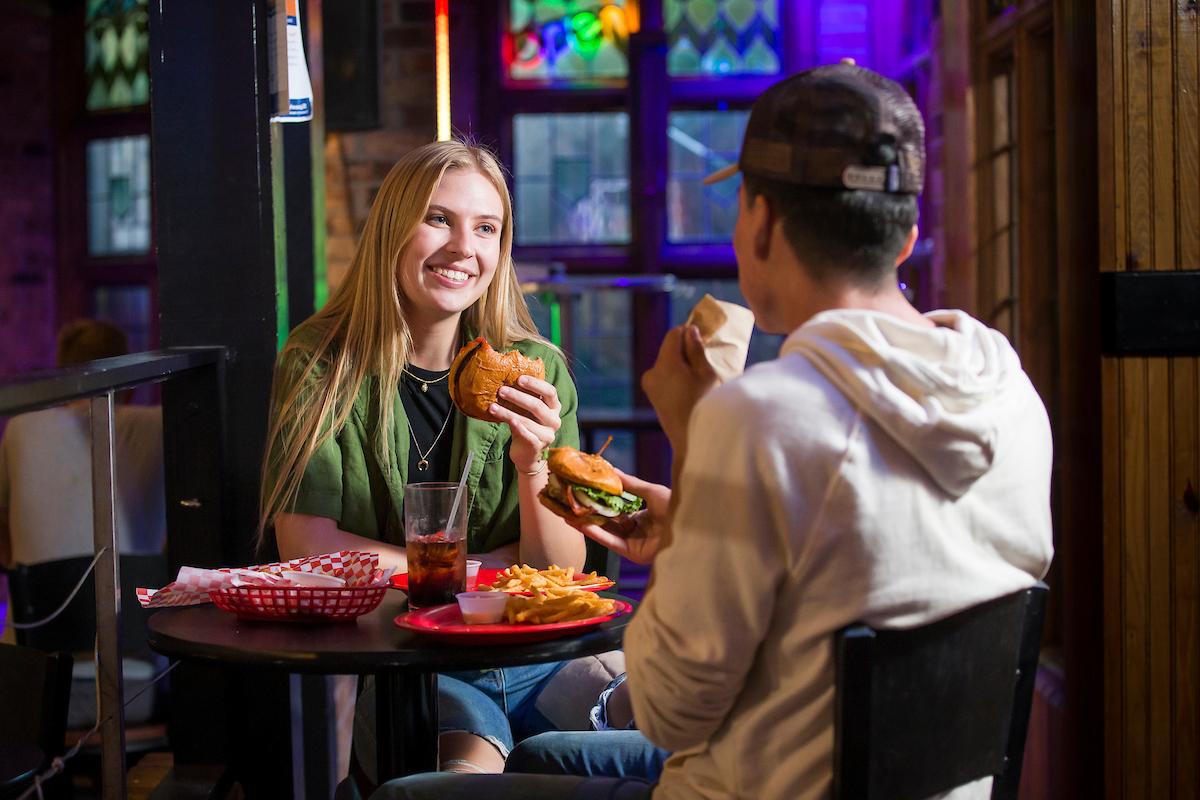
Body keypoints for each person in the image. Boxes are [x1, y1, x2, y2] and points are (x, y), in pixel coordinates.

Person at [369, 62, 1054, 800]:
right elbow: (871, 561)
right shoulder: (1008, 390)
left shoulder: (757, 417)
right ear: (908, 235)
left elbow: (668, 706)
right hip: (917, 781)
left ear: (758, 224)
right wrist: (693, 522)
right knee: (545, 753)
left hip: (757, 786)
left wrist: (700, 446)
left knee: (405, 796)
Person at [259, 139, 623, 782]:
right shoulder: (321, 361)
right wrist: (489, 568)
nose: (465, 247)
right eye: (439, 219)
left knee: (648, 744)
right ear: (393, 232)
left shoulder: (538, 372)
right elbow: (306, 547)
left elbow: (562, 569)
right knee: (466, 782)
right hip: (412, 663)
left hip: (540, 657)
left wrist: (534, 461)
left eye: (486, 228)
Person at [0, 318, 165, 568]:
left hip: (40, 603)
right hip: (140, 599)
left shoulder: (20, 427)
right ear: (131, 380)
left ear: (62, 381)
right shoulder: (158, 424)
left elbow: (4, 543)